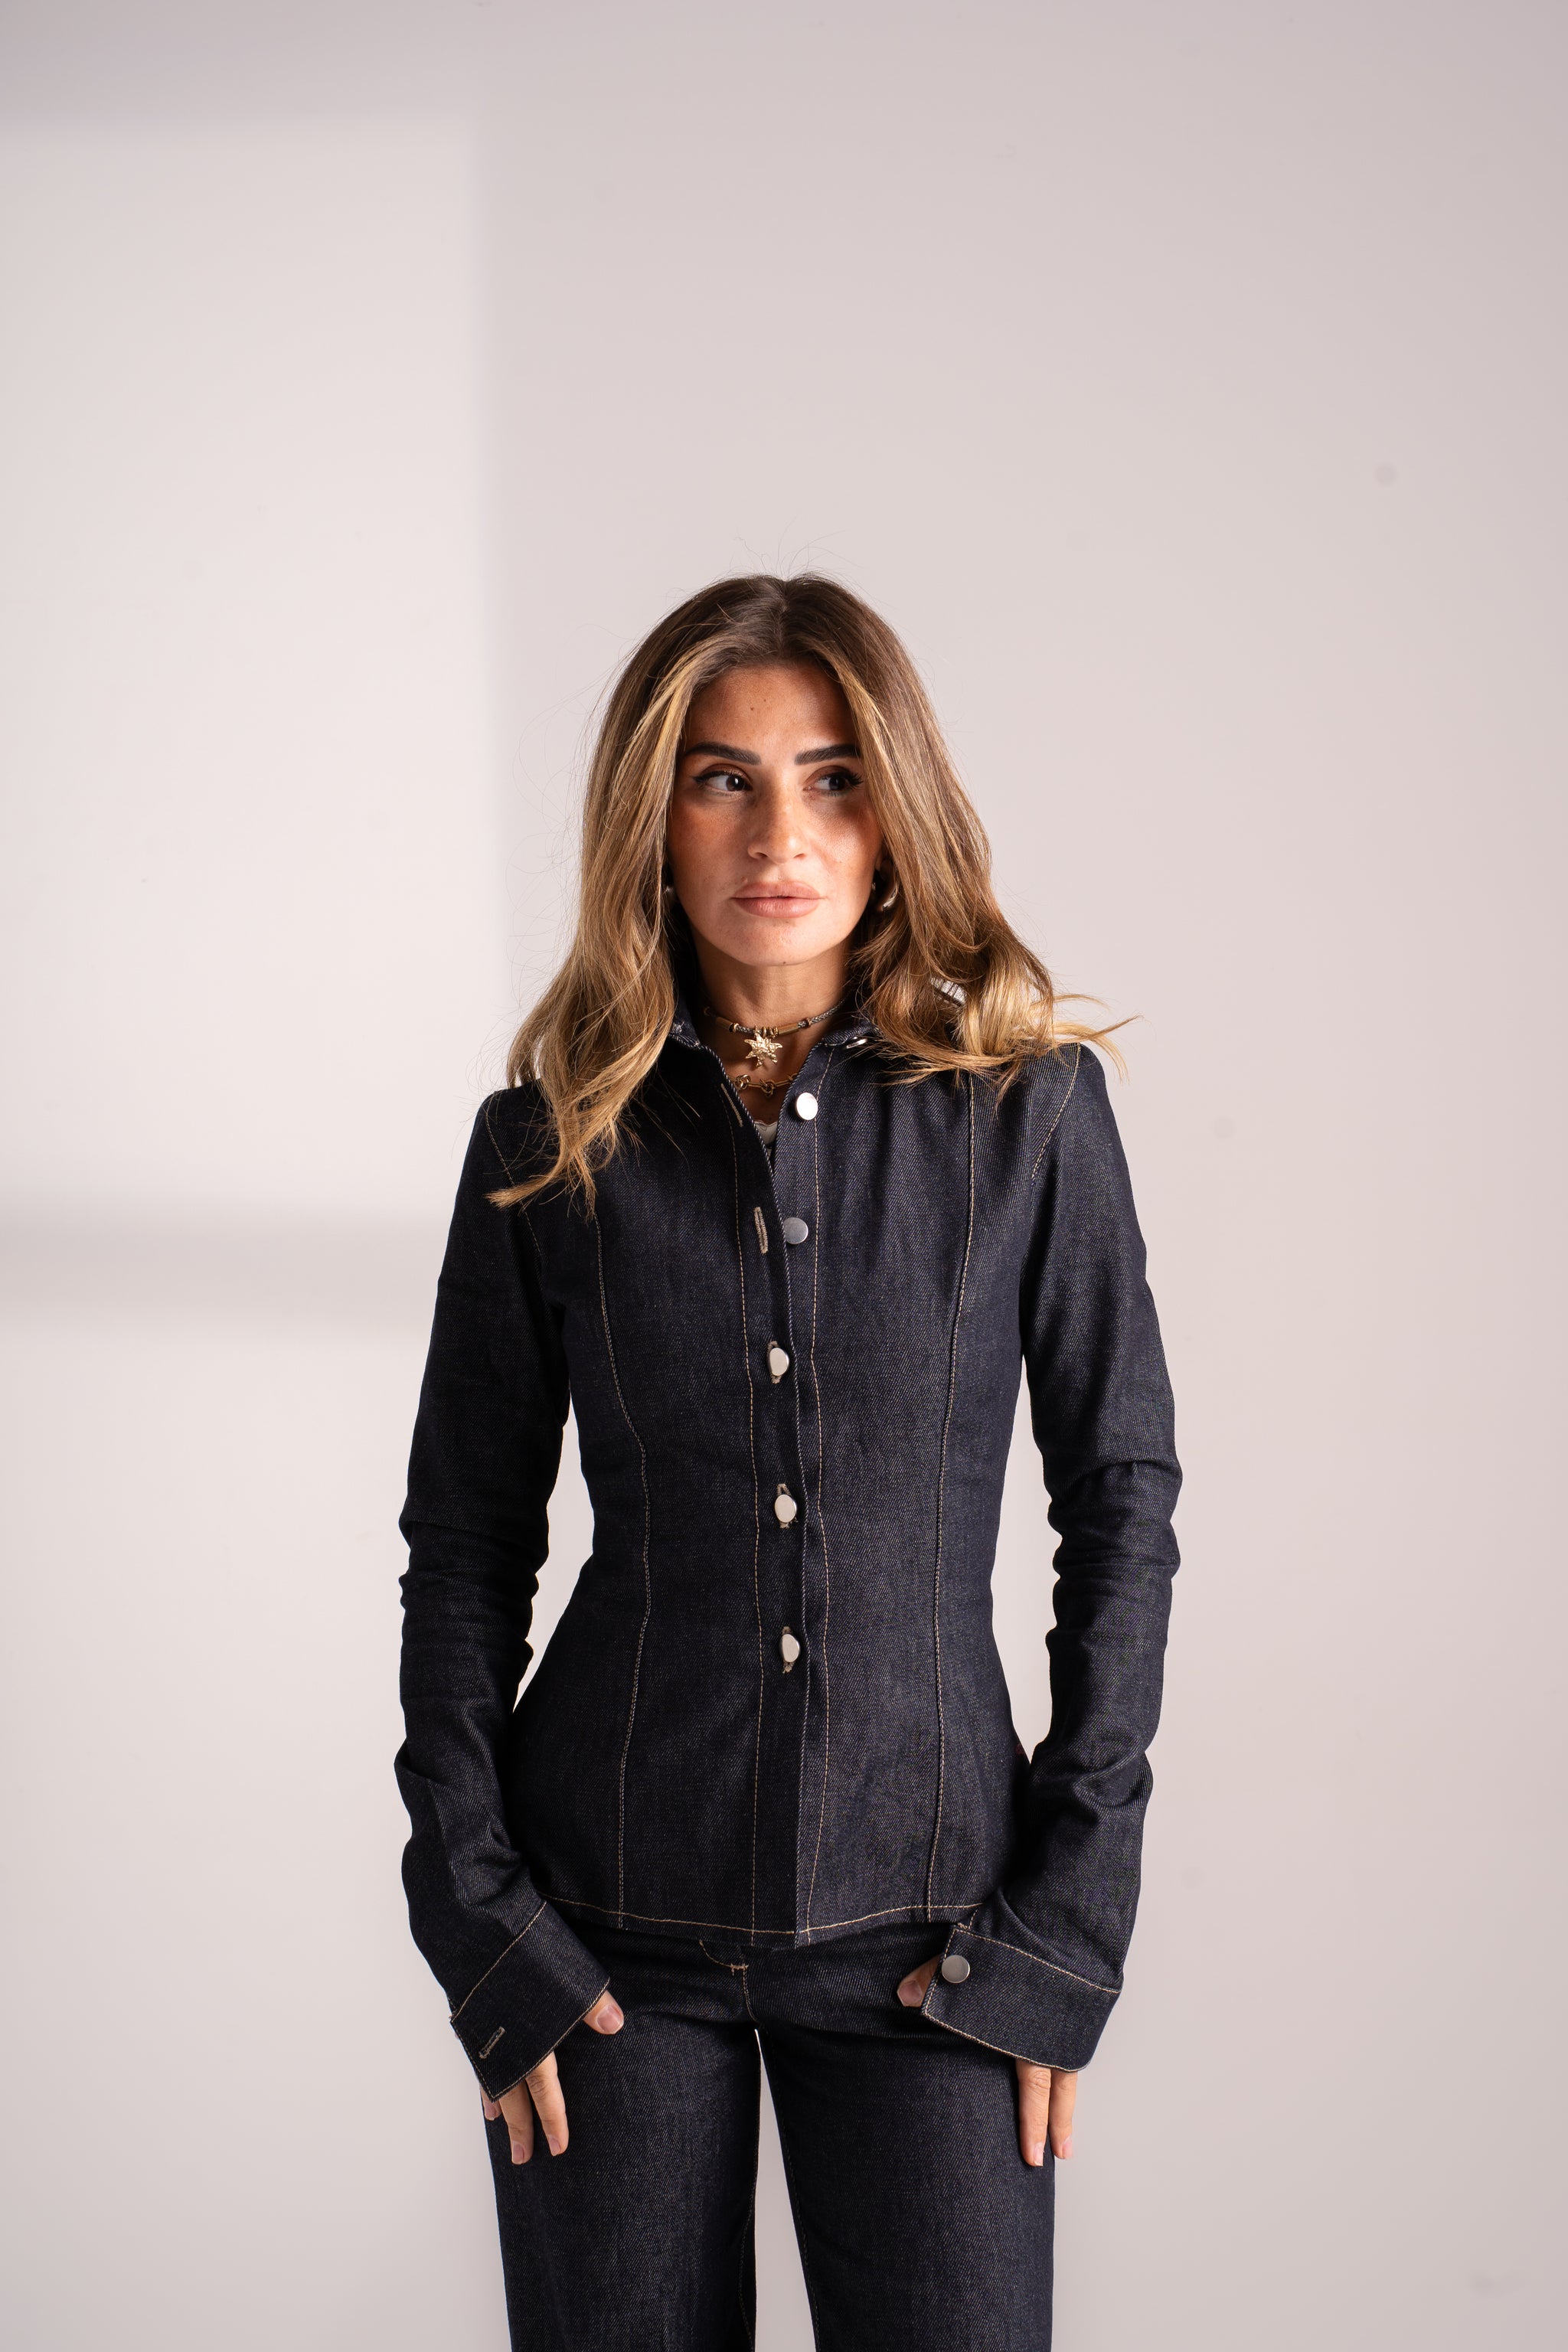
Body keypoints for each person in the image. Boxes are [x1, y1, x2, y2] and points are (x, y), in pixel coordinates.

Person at [395, 573, 1181, 2350]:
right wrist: (480, 1919)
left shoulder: (1026, 1116)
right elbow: (465, 1543)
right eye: (722, 780)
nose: (780, 834)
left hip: (943, 1945)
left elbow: (1120, 1502)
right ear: (652, 819)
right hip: (603, 1941)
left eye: (832, 778)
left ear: (894, 816)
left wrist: (1067, 1920)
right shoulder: (546, 1145)